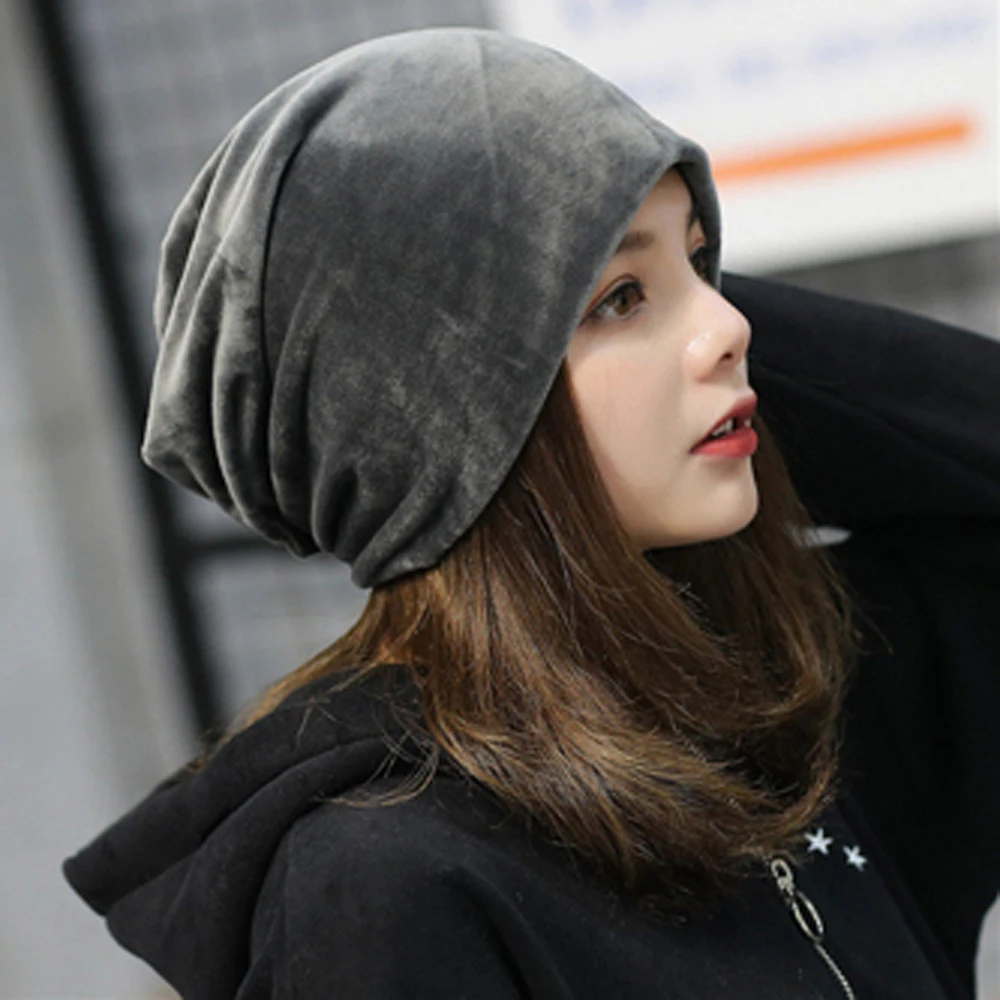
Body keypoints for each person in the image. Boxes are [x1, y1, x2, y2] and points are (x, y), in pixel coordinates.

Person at [62, 26, 999, 1000]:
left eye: (701, 261)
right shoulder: (386, 882)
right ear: (442, 409)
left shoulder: (788, 702)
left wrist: (615, 277)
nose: (731, 325)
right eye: (621, 297)